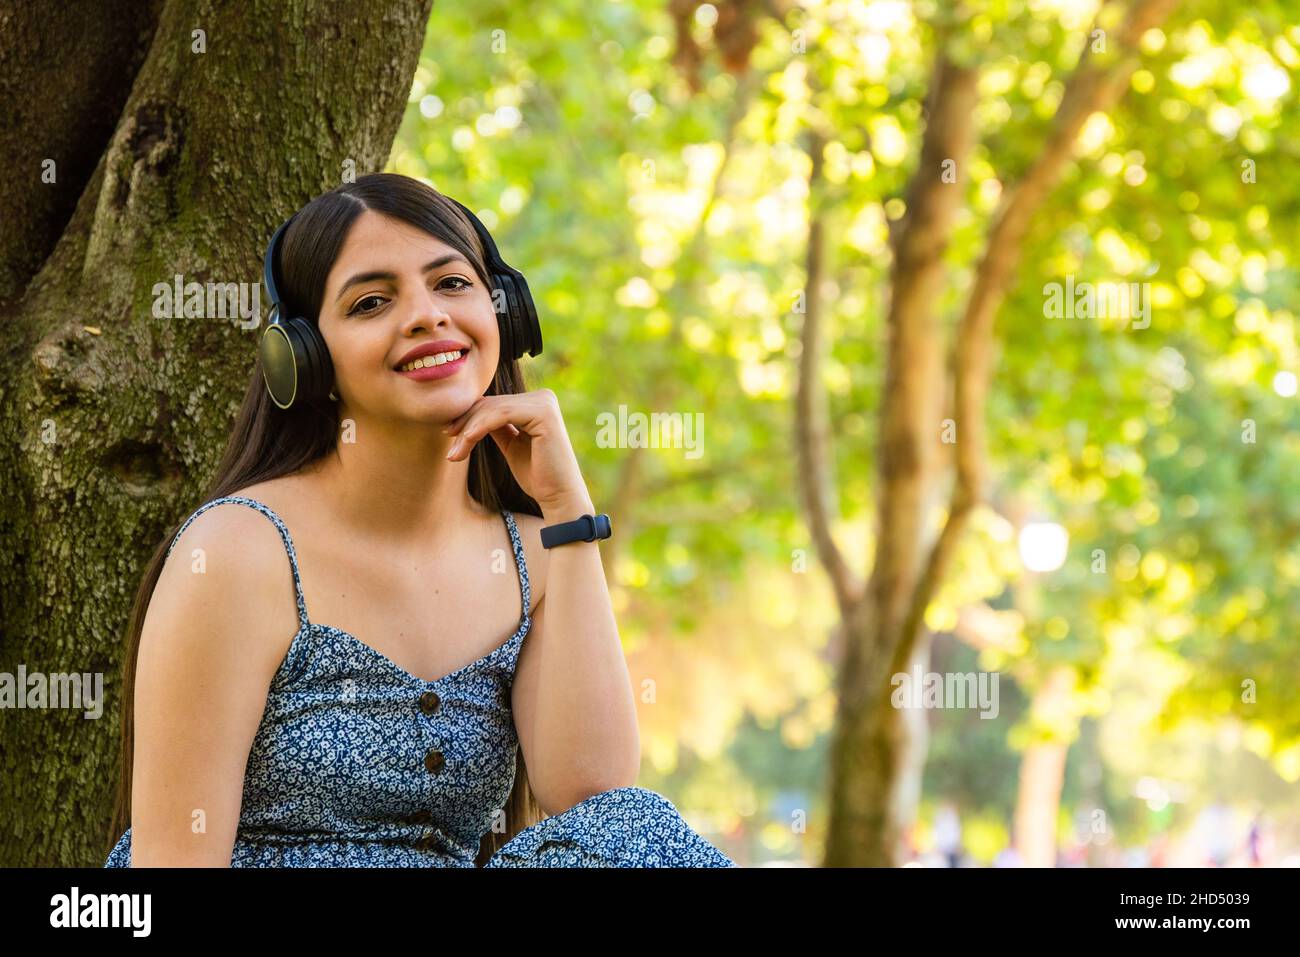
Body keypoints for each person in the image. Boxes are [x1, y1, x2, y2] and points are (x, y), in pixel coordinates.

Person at [104, 173, 735, 868]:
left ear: (508, 313)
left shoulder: (534, 553)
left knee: (637, 826)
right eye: (372, 301)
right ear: (307, 358)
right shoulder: (238, 550)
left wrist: (568, 511)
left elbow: (596, 802)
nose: (427, 315)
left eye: (453, 284)